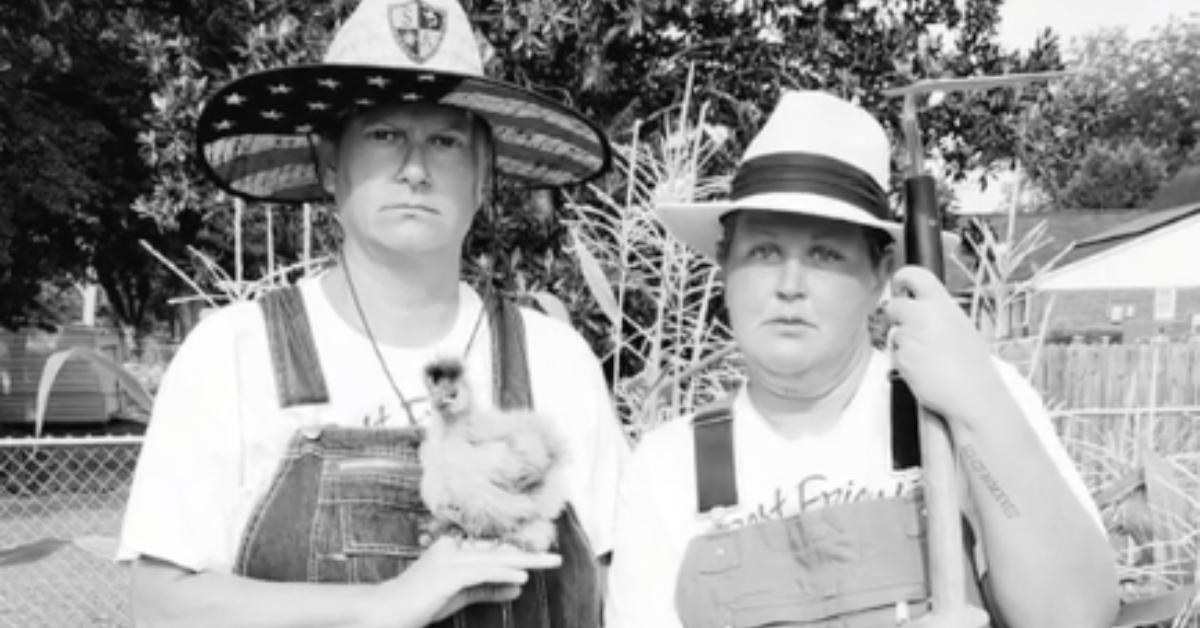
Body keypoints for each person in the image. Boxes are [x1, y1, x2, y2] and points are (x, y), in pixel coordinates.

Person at [116, 0, 628, 626]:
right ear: (332, 164)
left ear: (484, 176)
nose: (415, 169)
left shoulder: (556, 361)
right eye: (385, 135)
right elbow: (161, 606)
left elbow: (616, 591)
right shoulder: (232, 354)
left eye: (445, 142)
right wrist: (383, 603)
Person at [605, 91, 1119, 628]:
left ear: (882, 275)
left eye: (826, 255)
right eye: (764, 252)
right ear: (724, 266)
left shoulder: (964, 406)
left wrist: (979, 409)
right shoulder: (667, 469)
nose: (789, 285)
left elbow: (1078, 616)